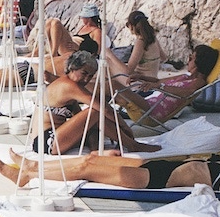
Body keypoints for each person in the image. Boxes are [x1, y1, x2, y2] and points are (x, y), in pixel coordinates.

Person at [27, 50, 159, 155]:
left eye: (90, 76)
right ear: (72, 68)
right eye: (84, 73)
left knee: (93, 118)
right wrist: (124, 127)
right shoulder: (68, 85)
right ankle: (132, 145)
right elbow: (103, 108)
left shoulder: (70, 85)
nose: (86, 79)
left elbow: (80, 119)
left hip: (55, 137)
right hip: (45, 141)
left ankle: (95, 151)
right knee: (95, 111)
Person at [0, 144, 220, 193]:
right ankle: (34, 164)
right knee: (92, 158)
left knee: (87, 166)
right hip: (152, 166)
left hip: (153, 180)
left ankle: (30, 177)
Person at [114, 44, 219, 125]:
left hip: (152, 111)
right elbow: (158, 81)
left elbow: (187, 92)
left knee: (113, 85)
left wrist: (160, 87)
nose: (188, 60)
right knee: (107, 90)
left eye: (191, 58)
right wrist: (141, 77)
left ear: (199, 63)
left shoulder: (199, 81)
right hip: (149, 104)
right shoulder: (186, 76)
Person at [106, 10, 167, 85]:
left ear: (131, 26)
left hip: (141, 82)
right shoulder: (153, 38)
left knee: (108, 61)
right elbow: (164, 58)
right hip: (152, 78)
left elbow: (128, 71)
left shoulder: (140, 41)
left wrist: (110, 54)